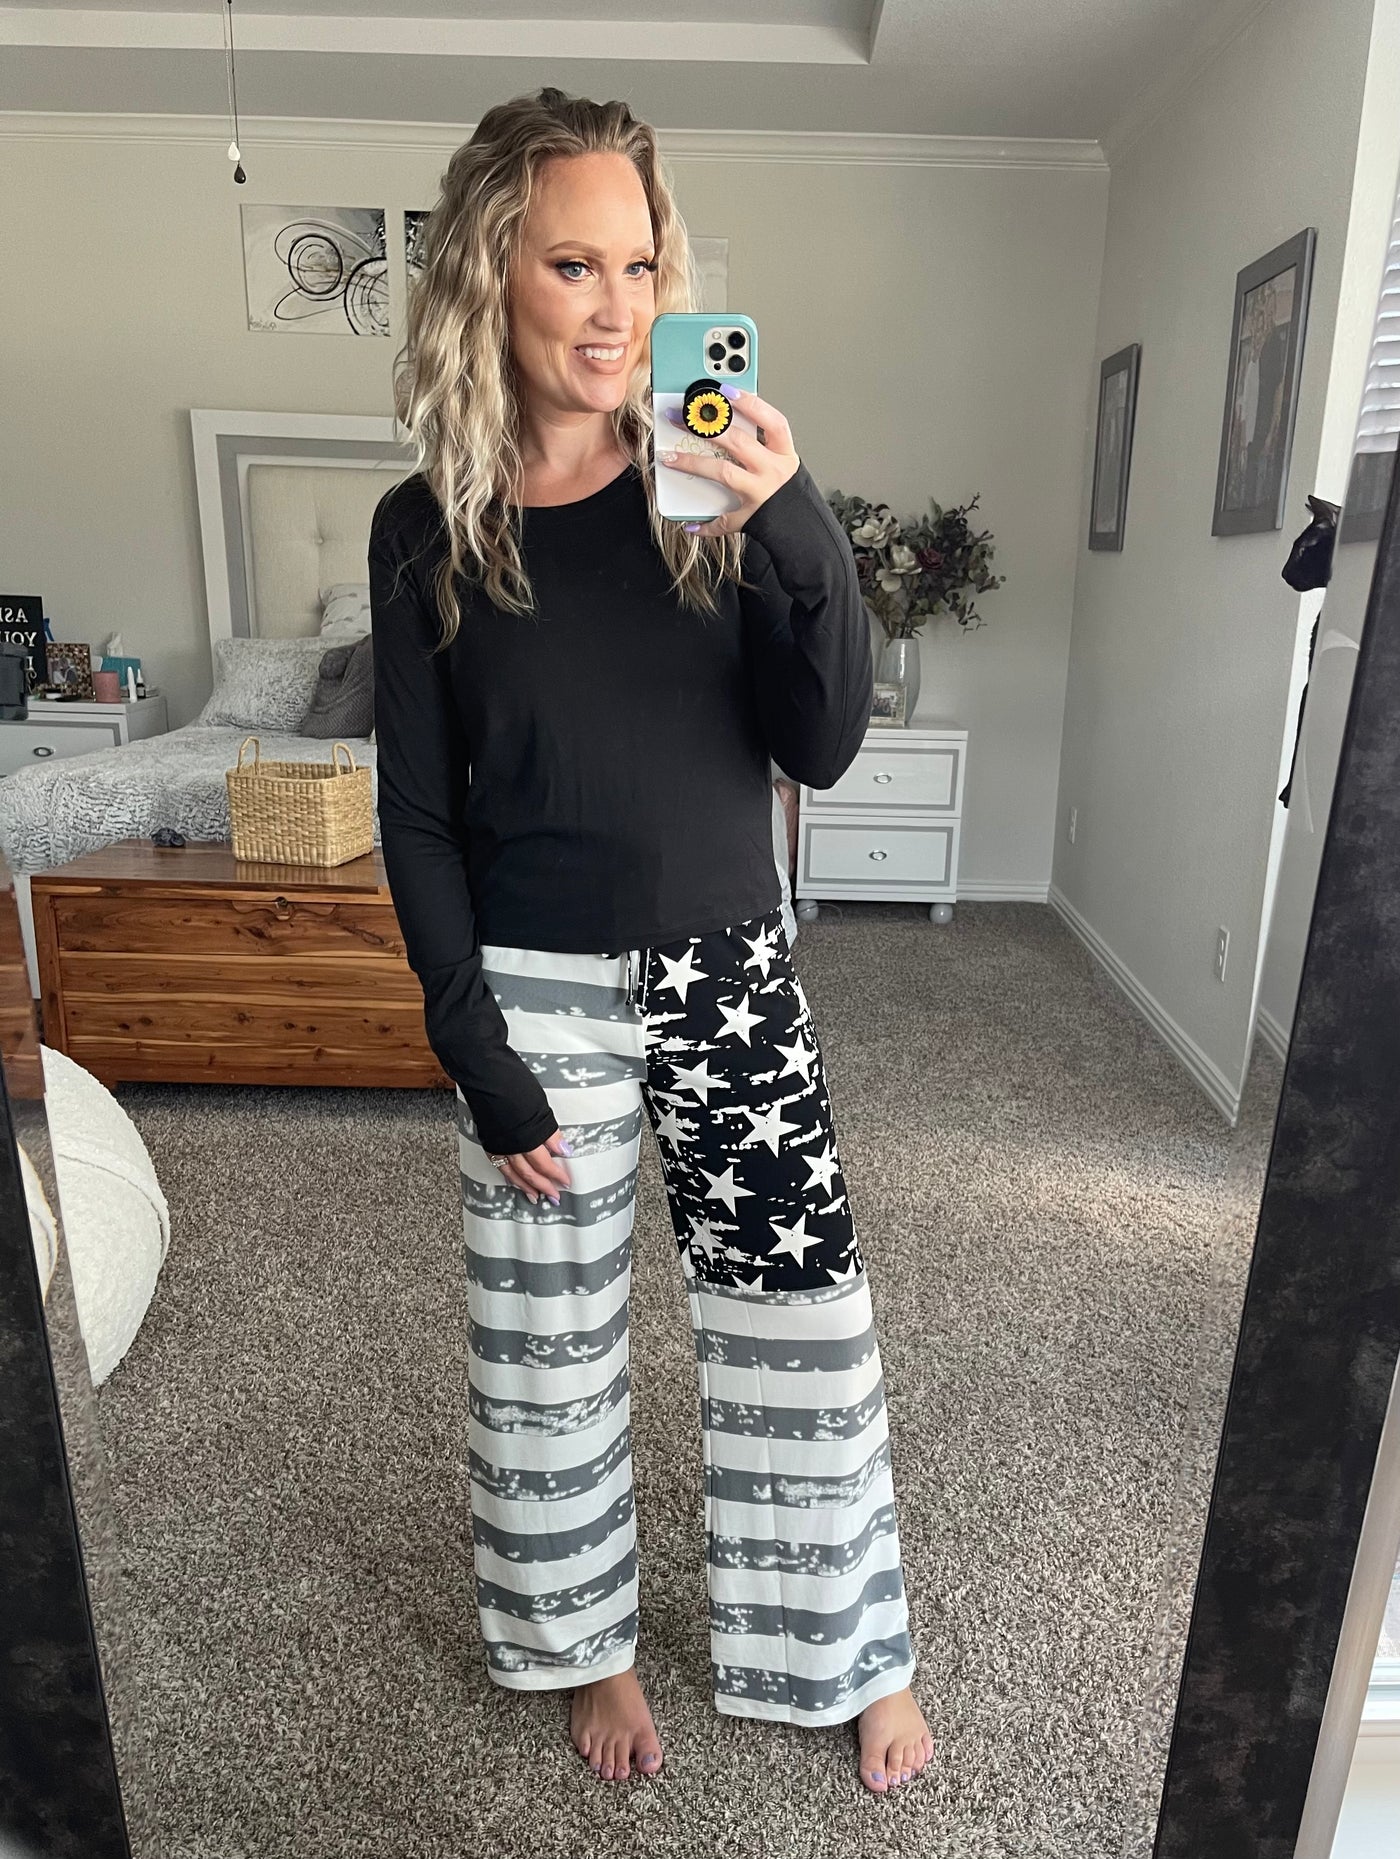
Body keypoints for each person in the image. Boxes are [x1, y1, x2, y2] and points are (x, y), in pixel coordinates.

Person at [368, 83, 933, 1797]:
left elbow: (822, 745)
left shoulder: (713, 485)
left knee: (803, 1329)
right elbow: (419, 815)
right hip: (534, 993)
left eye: (639, 264)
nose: (615, 308)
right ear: (492, 275)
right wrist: (476, 1054)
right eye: (572, 265)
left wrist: (795, 519)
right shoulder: (428, 526)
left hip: (729, 975)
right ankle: (589, 1647)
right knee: (544, 1357)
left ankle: (843, 1652)